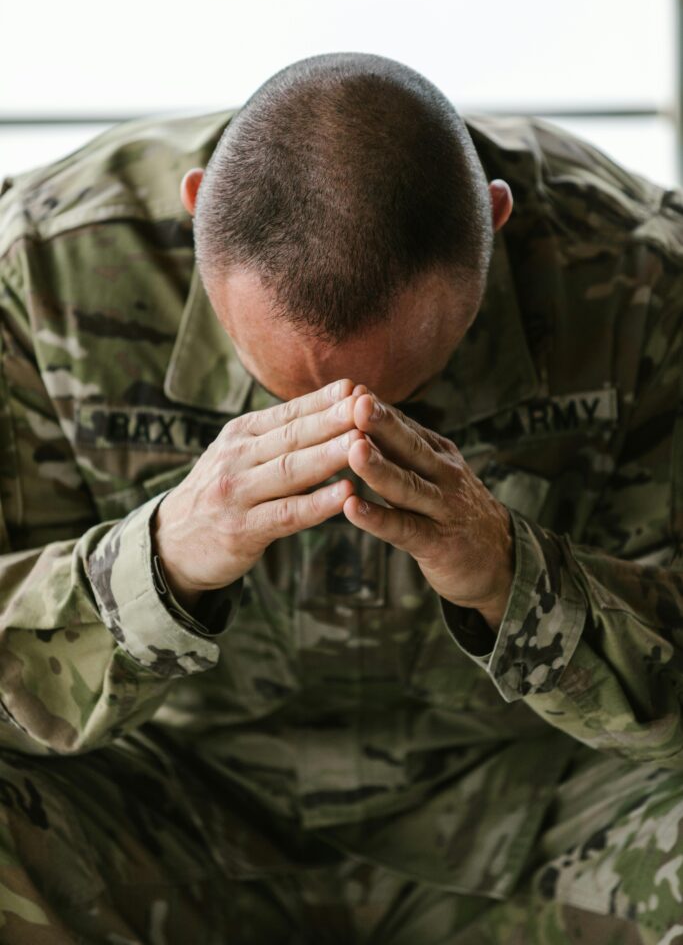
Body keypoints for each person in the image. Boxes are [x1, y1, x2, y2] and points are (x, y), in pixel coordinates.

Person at [0, 50, 681, 945]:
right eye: (280, 386)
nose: (344, 425)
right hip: (161, 816)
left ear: (495, 222)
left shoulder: (640, 280)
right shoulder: (40, 273)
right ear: (198, 214)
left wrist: (515, 577)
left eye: (407, 388)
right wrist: (158, 561)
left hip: (530, 819)